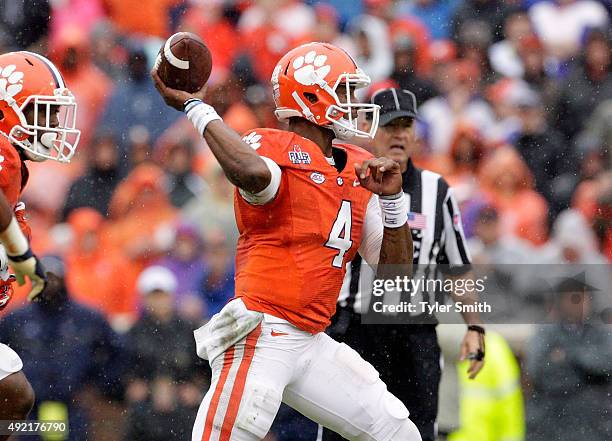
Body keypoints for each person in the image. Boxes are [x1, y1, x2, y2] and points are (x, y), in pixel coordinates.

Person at [151, 41, 420, 440]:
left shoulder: (361, 169)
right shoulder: (272, 149)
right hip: (262, 331)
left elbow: (396, 277)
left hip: (311, 339)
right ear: (311, 96)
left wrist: (394, 201)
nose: (353, 102)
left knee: (396, 431)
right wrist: (198, 107)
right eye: (344, 91)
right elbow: (251, 173)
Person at [325, 89, 485, 441]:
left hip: (414, 334)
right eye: (390, 124)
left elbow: (456, 266)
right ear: (369, 126)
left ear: (415, 132)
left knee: (417, 433)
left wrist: (475, 328)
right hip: (355, 331)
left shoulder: (436, 190)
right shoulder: (346, 181)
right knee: (342, 432)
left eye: (406, 125)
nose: (398, 134)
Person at [0, 50, 80, 437]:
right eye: (41, 112)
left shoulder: (15, 166)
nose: (51, 125)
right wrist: (22, 257)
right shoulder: (4, 155)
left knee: (14, 396)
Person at [0, 255, 125, 441]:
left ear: (64, 278)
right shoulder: (17, 319)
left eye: (54, 276)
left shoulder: (88, 317)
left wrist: (101, 385)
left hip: (74, 407)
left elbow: (119, 351)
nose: (50, 283)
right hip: (30, 410)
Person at [525, 274, 612, 441]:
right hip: (552, 426)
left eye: (586, 298)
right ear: (561, 302)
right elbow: (539, 372)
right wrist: (585, 377)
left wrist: (569, 355)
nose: (583, 304)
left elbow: (605, 364)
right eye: (575, 299)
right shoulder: (545, 333)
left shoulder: (601, 331)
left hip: (595, 427)